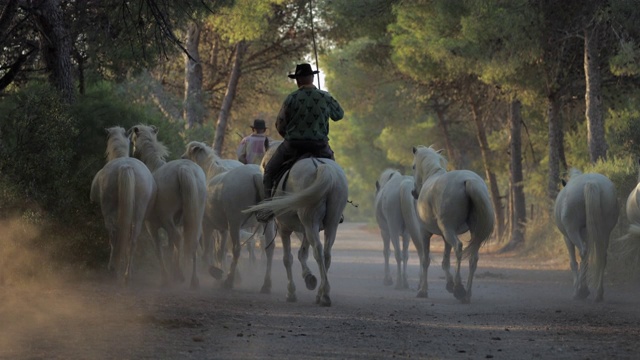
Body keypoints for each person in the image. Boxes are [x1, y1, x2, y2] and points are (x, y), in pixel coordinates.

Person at [255, 63, 344, 222]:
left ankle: (268, 208)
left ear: (298, 81)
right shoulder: (325, 96)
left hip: (293, 146)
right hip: (320, 146)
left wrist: (288, 135)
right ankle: (338, 210)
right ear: (312, 78)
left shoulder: (291, 98)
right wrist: (325, 100)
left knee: (269, 171)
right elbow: (339, 115)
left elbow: (280, 125)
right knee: (336, 174)